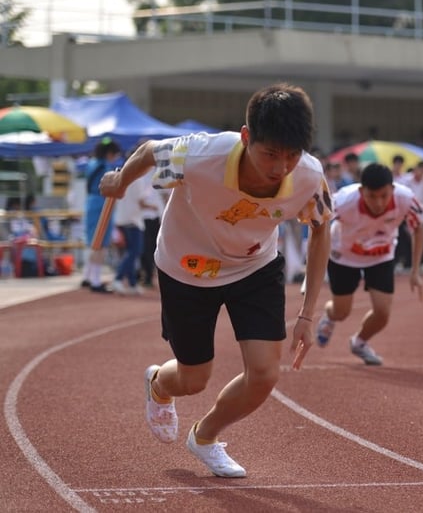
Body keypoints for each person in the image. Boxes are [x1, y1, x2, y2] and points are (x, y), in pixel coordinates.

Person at [98, 83, 333, 478]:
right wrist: (121, 182)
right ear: (246, 138)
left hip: (254, 266)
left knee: (265, 373)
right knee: (193, 379)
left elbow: (321, 229)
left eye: (291, 155)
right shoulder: (201, 156)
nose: (280, 167)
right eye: (270, 154)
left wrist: (308, 315)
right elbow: (149, 152)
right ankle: (159, 383)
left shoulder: (308, 176)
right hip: (187, 267)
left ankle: (205, 437)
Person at [315, 163, 423, 365]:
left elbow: (418, 228)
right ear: (361, 191)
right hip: (344, 256)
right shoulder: (343, 201)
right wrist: (315, 263)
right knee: (341, 312)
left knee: (383, 313)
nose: (378, 203)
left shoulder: (405, 199)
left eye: (384, 196)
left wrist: (415, 271)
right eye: (371, 196)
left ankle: (359, 342)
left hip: (380, 255)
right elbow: (318, 224)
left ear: (392, 189)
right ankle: (329, 316)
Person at [111, 157, 162, 296]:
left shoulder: (124, 176)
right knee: (134, 252)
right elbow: (140, 202)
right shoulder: (137, 179)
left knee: (131, 252)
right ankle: (118, 278)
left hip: (123, 218)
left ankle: (132, 283)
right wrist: (155, 207)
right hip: (133, 220)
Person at [82, 138, 123, 293]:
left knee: (93, 241)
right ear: (109, 153)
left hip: (91, 202)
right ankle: (95, 280)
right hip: (102, 203)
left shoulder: (91, 164)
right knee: (100, 242)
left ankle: (88, 276)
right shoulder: (105, 166)